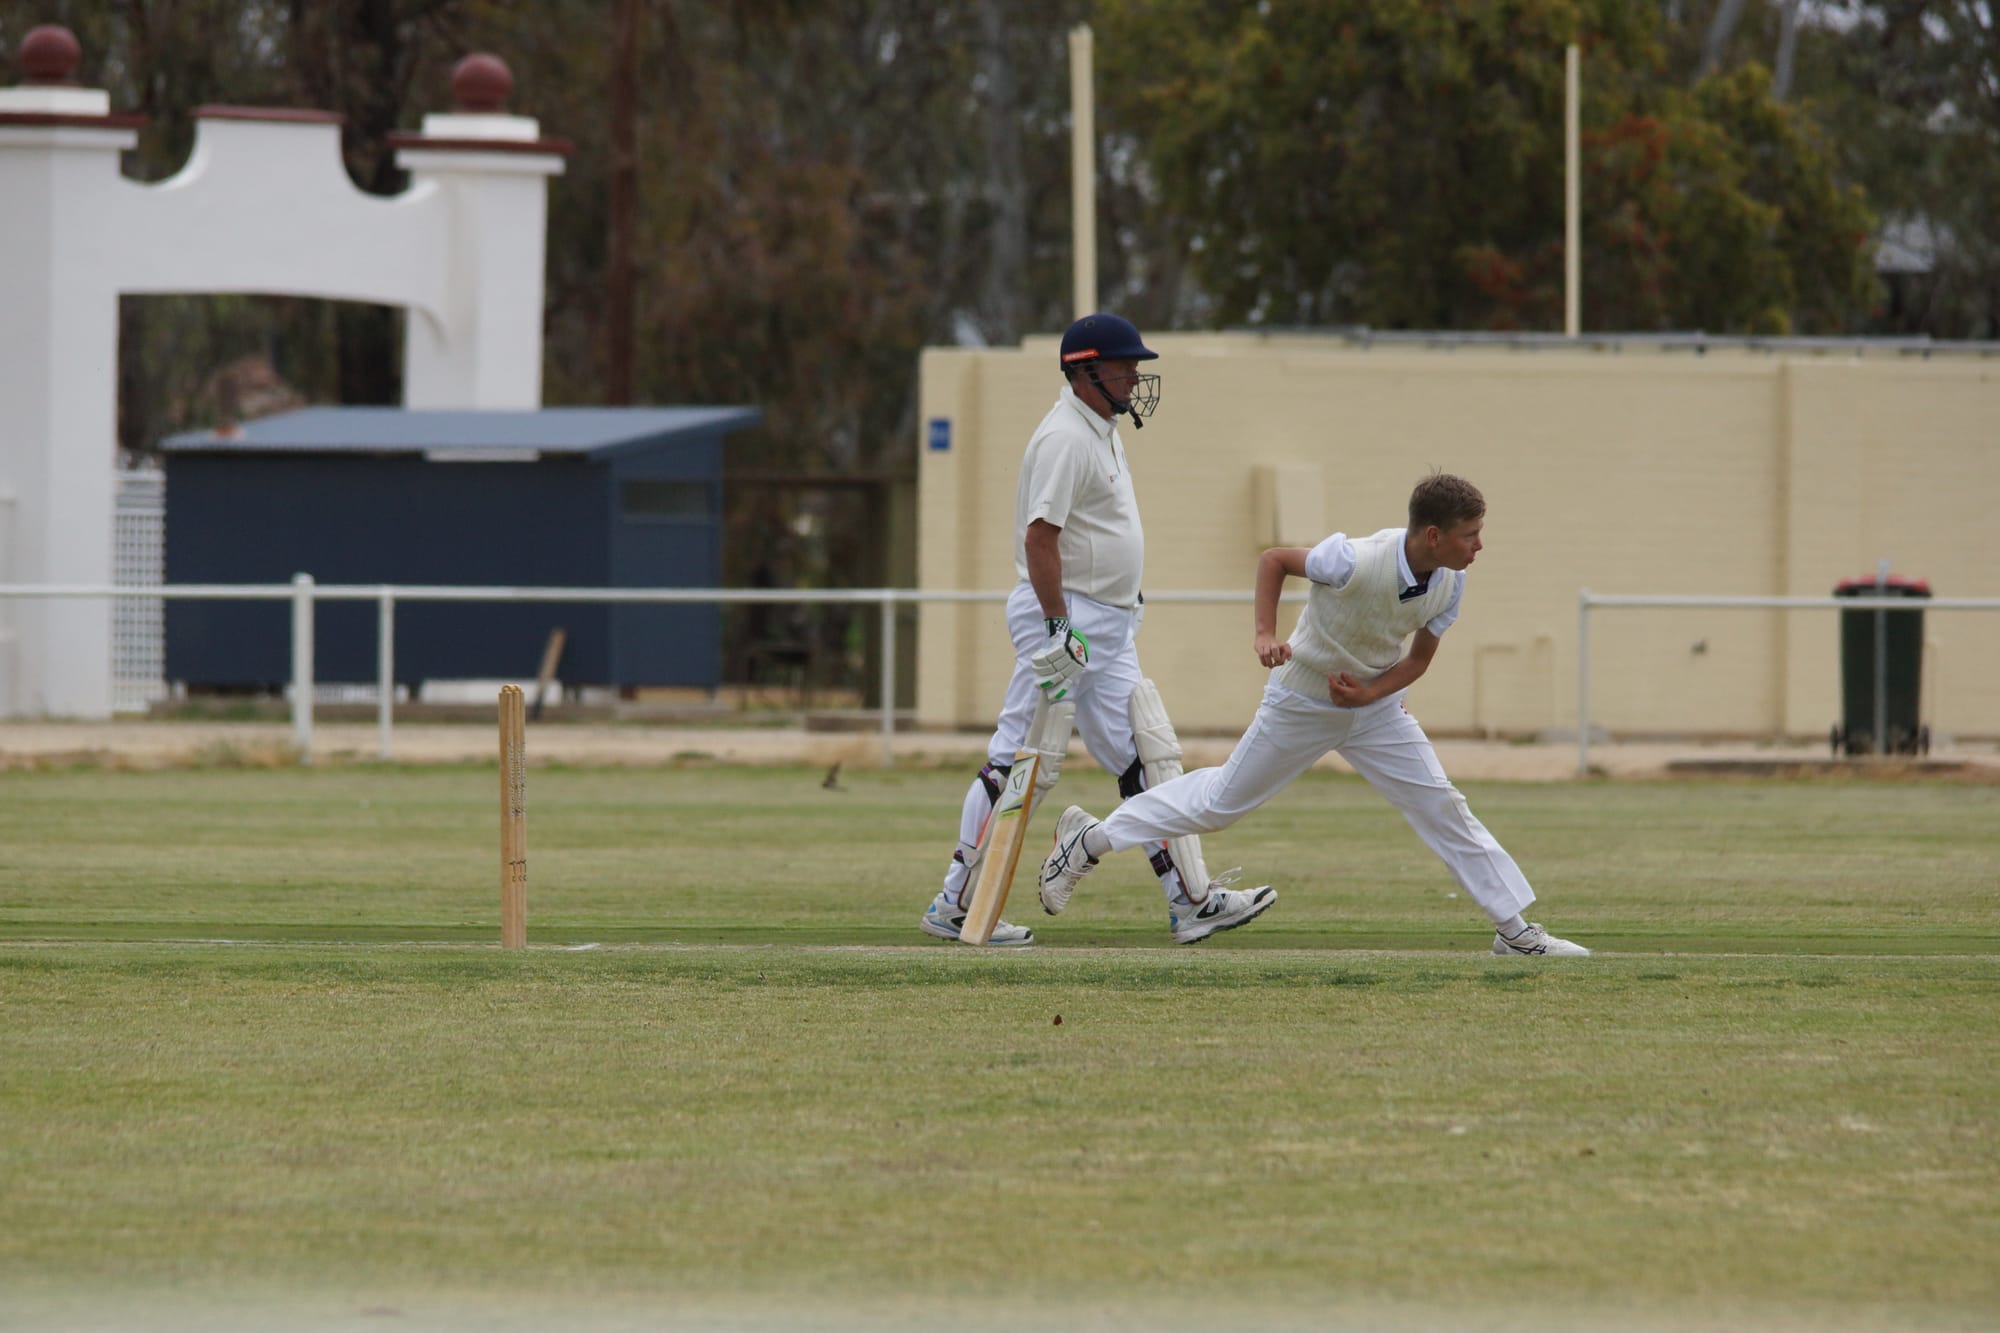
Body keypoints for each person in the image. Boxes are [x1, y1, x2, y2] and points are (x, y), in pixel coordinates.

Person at [1037, 472, 1589, 957]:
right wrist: (1263, 634)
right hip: (1300, 700)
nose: (1479, 546)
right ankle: (1088, 842)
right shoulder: (1352, 557)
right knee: (1220, 804)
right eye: (1471, 535)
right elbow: (1274, 560)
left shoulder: (1451, 584)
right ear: (1433, 536)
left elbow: (1418, 660)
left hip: (1374, 709)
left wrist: (1370, 696)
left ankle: (1515, 932)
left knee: (1442, 805)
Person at [920, 313, 1278, 946]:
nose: (1136, 377)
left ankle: (1191, 900)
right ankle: (956, 902)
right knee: (1021, 757)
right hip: (1065, 617)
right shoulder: (1064, 436)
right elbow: (1040, 538)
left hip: (1104, 625)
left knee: (1147, 758)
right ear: (1085, 370)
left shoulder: (1100, 428)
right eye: (1124, 366)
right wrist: (1059, 626)